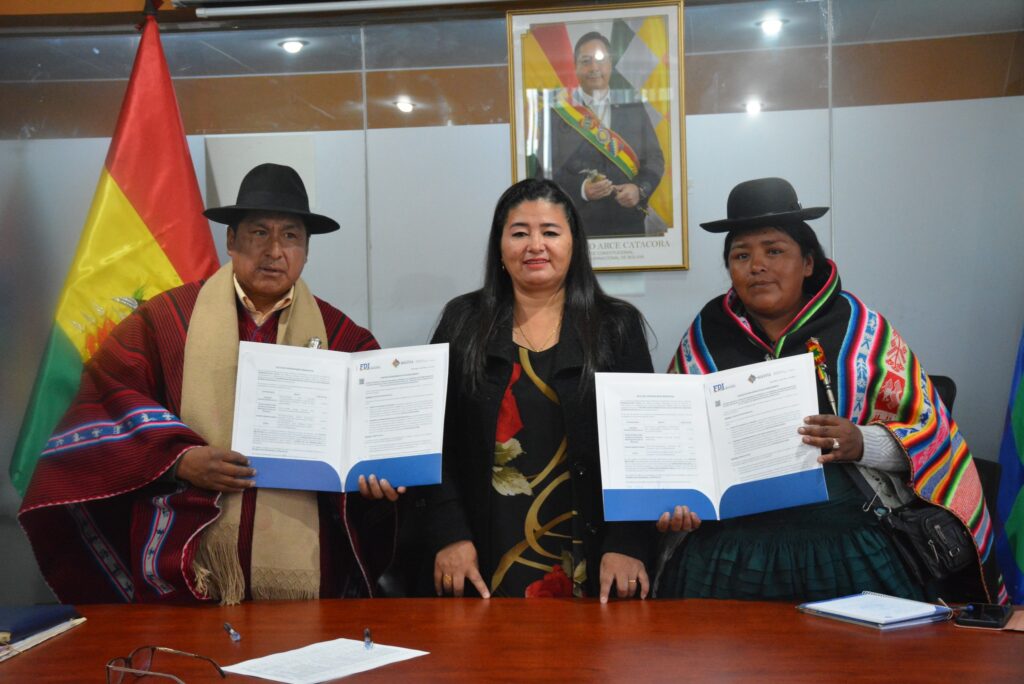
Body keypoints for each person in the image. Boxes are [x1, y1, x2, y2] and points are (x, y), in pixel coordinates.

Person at [18, 163, 400, 605]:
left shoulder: (344, 339)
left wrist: (376, 479)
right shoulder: (166, 322)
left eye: (291, 236)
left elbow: (373, 441)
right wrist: (178, 459)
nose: (275, 250)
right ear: (231, 240)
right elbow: (105, 400)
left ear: (307, 251)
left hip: (308, 581)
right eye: (259, 232)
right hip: (184, 567)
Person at [656, 177, 1006, 604]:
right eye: (741, 255)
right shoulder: (706, 336)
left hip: (846, 544)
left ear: (807, 262)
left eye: (774, 251)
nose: (757, 265)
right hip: (730, 553)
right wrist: (679, 499)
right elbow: (675, 440)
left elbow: (932, 433)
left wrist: (861, 441)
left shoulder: (861, 331)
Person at [413, 178, 655, 601]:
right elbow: (430, 438)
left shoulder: (616, 325)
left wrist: (627, 542)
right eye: (520, 233)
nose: (535, 245)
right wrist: (449, 535)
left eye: (550, 232)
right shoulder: (463, 321)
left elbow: (644, 445)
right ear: (500, 246)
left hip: (594, 556)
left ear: (574, 244)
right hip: (480, 553)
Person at [537, 31, 665, 238]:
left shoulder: (633, 108)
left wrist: (639, 189)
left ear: (610, 64)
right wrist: (581, 189)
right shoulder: (555, 115)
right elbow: (544, 173)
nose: (594, 68)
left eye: (600, 60)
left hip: (627, 226)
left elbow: (655, 159)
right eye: (586, 61)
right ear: (575, 66)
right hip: (577, 226)